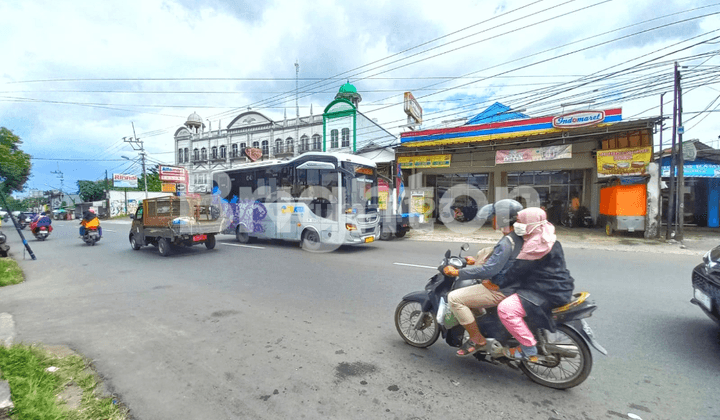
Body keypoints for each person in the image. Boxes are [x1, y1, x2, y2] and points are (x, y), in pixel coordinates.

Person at [443, 199, 524, 357]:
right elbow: (499, 257)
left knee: (454, 298)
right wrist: (476, 257)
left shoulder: (507, 242)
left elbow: (490, 269)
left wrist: (458, 273)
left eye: (494, 216)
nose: (491, 219)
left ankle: (477, 339)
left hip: (502, 290)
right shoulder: (517, 237)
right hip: (516, 285)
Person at [496, 207, 574, 363]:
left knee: (506, 309)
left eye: (520, 221)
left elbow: (517, 271)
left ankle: (528, 348)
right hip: (559, 287)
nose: (517, 224)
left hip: (545, 293)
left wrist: (496, 282)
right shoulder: (549, 239)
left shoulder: (535, 246)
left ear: (530, 223)